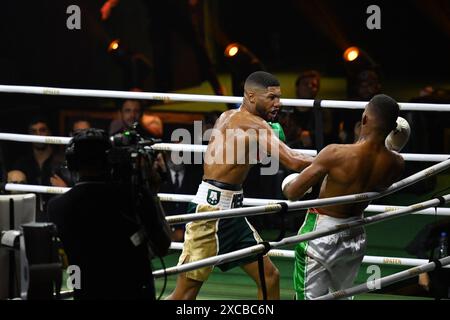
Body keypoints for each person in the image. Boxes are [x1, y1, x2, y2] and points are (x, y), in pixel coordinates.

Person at [166, 71, 313, 300]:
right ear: (252, 96)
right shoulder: (256, 126)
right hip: (210, 214)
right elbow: (293, 161)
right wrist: (333, 158)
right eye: (272, 97)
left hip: (232, 213)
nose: (278, 103)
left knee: (270, 277)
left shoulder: (227, 116)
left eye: (279, 97)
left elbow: (235, 155)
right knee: (184, 295)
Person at [283, 94, 406, 300]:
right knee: (340, 297)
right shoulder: (396, 164)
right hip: (355, 234)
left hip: (321, 232)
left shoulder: (335, 153)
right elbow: (378, 179)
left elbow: (292, 193)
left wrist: (307, 174)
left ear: (364, 120)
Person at [48, 128, 171, 299]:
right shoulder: (133, 197)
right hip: (134, 294)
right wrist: (152, 194)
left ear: (72, 163)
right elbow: (162, 245)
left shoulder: (57, 206)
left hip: (87, 294)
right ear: (110, 160)